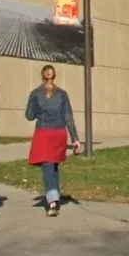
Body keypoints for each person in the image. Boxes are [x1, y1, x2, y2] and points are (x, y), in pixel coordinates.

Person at [25, 64, 82, 217]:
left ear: (42, 75)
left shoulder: (35, 94)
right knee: (53, 166)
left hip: (44, 133)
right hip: (59, 133)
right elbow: (68, 117)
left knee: (48, 167)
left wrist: (37, 107)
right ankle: (55, 195)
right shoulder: (62, 94)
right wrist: (75, 139)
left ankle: (52, 201)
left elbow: (29, 116)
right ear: (54, 75)